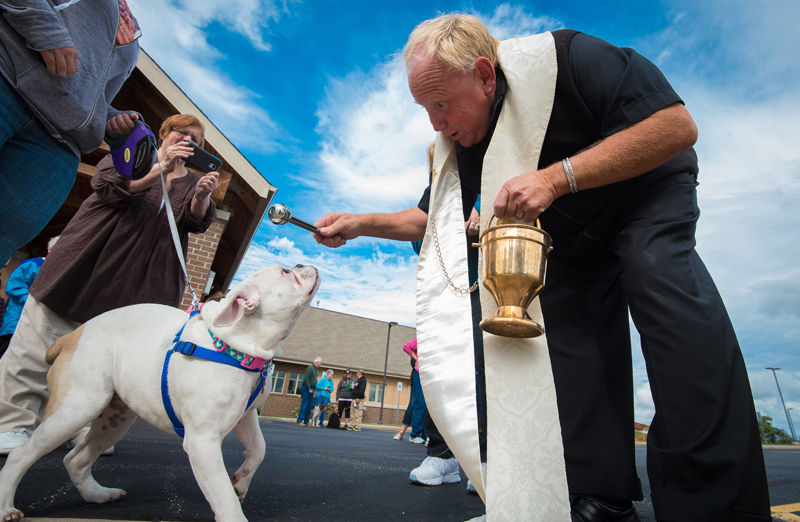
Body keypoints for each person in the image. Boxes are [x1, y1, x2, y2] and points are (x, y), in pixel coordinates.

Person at [313, 13, 770, 522]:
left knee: (661, 281)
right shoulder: (462, 144)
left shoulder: (571, 57)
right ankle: (602, 498)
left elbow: (676, 127)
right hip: (570, 239)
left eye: (441, 104)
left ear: (485, 76)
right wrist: (360, 223)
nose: (435, 124)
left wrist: (557, 177)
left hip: (646, 194)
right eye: (425, 109)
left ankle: (716, 504)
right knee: (569, 348)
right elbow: (429, 217)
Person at [0, 113, 219, 455]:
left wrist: (202, 195)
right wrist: (161, 167)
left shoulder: (192, 181)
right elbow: (111, 188)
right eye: (183, 133)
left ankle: (81, 427)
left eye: (197, 140)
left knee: (109, 357)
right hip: (89, 262)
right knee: (39, 342)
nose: (190, 141)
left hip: (144, 283)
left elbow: (195, 220)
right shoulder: (136, 152)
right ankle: (13, 423)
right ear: (164, 133)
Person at [0, 0, 143, 263]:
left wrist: (109, 116)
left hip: (59, 144)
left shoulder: (133, 33)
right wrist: (47, 31)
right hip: (8, 82)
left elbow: (98, 96)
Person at [0, 236, 58, 357]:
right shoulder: (32, 265)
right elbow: (14, 286)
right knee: (5, 353)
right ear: (49, 250)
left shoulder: (59, 272)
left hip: (39, 326)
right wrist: (35, 300)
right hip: (17, 320)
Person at [402, 339, 428, 444]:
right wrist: (416, 358)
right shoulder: (422, 338)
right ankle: (415, 434)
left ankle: (427, 435)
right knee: (420, 403)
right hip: (420, 373)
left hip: (432, 374)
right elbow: (406, 346)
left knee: (429, 406)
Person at [296, 357, 321, 426]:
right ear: (317, 362)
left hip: (312, 389)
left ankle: (306, 421)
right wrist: (309, 388)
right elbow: (306, 378)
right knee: (304, 404)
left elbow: (315, 381)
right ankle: (299, 420)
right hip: (306, 388)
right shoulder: (310, 368)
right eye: (320, 363)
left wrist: (315, 390)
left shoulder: (315, 370)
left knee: (309, 406)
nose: (320, 364)